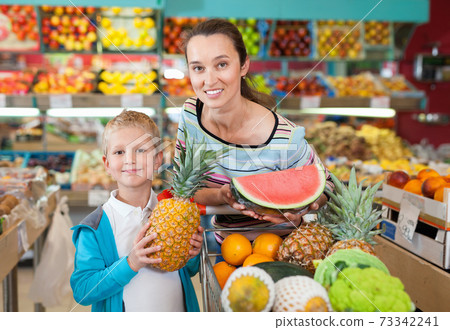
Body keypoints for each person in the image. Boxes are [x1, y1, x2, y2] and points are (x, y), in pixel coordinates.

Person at [175, 18, 334, 245]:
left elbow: (326, 182)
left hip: (282, 250)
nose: (209, 80)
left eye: (221, 64)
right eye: (198, 68)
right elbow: (186, 189)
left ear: (244, 65)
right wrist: (221, 195)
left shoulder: (284, 137)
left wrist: (306, 206)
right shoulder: (190, 115)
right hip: (224, 247)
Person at [70, 110, 203, 312]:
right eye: (119, 152)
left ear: (158, 159)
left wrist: (192, 255)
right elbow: (83, 291)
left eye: (140, 150)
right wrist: (131, 263)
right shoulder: (95, 227)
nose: (130, 159)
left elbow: (187, 271)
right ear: (107, 164)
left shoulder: (174, 213)